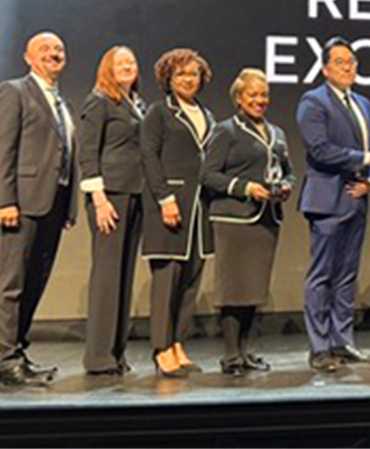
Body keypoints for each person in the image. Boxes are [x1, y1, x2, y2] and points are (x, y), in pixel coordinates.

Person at [0, 31, 77, 386]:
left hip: (51, 205)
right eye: (45, 48)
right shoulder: (13, 91)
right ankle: (4, 360)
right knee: (12, 283)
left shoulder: (61, 101)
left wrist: (67, 206)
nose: (53, 53)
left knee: (35, 282)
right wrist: (6, 200)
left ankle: (17, 352)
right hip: (19, 204)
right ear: (28, 57)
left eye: (59, 48)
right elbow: (0, 150)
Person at [297, 37, 370, 373]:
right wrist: (365, 159)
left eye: (351, 61)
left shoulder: (363, 103)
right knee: (322, 274)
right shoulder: (313, 101)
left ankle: (342, 340)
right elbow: (320, 149)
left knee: (347, 275)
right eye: (340, 62)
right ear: (325, 69)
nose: (348, 67)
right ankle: (319, 346)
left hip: (357, 198)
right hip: (327, 200)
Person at [201, 68, 294, 375]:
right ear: (239, 98)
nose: (259, 100)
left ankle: (245, 351)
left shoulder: (277, 133)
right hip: (234, 219)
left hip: (267, 219)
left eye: (264, 95)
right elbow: (207, 174)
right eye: (252, 94)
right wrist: (245, 188)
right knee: (233, 289)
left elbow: (288, 171)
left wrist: (286, 186)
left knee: (254, 289)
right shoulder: (226, 131)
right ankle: (231, 356)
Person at [140, 48, 215, 377]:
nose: (188, 79)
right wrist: (164, 198)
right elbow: (149, 155)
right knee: (167, 281)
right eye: (181, 74)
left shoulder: (207, 115)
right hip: (170, 205)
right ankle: (161, 348)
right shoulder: (159, 112)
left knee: (190, 280)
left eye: (193, 74)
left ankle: (178, 343)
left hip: (200, 208)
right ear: (168, 79)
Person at [78, 45, 147, 375]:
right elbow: (88, 152)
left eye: (131, 62)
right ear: (108, 68)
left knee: (124, 275)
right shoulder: (99, 101)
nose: (127, 66)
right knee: (107, 276)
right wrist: (99, 199)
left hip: (135, 194)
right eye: (120, 63)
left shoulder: (136, 104)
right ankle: (98, 357)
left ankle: (117, 353)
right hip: (110, 197)